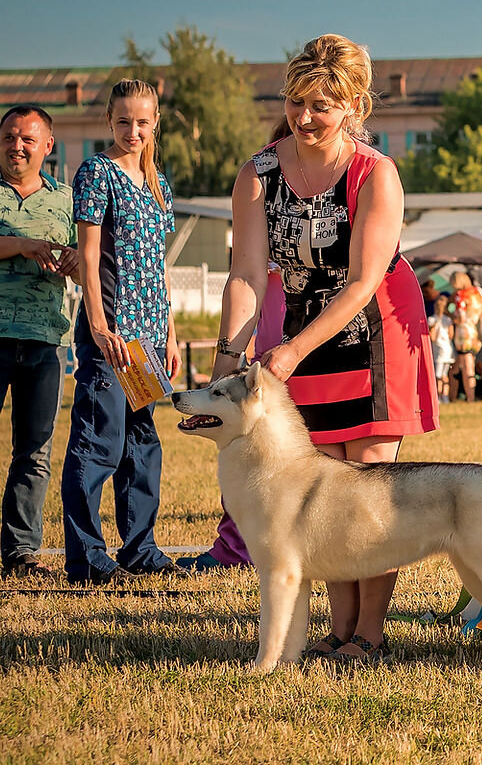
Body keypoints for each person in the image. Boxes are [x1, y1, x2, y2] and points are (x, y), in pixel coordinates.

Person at [209, 34, 438, 663]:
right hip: (306, 331)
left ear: (354, 106)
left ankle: (369, 635)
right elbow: (248, 275)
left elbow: (365, 280)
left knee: (369, 483)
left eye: (322, 106)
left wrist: (288, 352)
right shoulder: (257, 173)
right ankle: (338, 633)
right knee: (322, 491)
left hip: (376, 330)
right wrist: (232, 353)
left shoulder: (375, 173)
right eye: (296, 103)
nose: (305, 118)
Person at [61, 79, 181, 584]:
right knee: (97, 443)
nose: (134, 131)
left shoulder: (157, 181)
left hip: (151, 336)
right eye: (124, 121)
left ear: (155, 124)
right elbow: (89, 255)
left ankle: (140, 548)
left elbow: (161, 264)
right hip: (112, 335)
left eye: (143, 122)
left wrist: (171, 334)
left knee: (142, 444)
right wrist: (96, 323)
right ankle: (87, 558)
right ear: (109, 121)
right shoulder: (96, 173)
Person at [0, 106, 79, 579]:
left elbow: (87, 256)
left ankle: (20, 553)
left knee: (33, 451)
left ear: (48, 146)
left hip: (46, 339)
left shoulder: (67, 201)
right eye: (9, 136)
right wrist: (23, 244)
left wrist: (73, 258)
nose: (17, 146)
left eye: (28, 138)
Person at [448, 270, 482, 402]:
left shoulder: (460, 296)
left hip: (463, 334)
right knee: (456, 367)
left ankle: (470, 398)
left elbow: (460, 318)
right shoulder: (479, 293)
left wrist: (448, 314)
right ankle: (452, 397)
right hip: (475, 332)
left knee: (467, 367)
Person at [429, 295, 455, 403]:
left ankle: (438, 397)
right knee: (445, 375)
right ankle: (445, 396)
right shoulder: (448, 320)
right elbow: (451, 335)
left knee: (438, 376)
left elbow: (432, 337)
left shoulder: (431, 320)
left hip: (439, 352)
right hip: (448, 350)